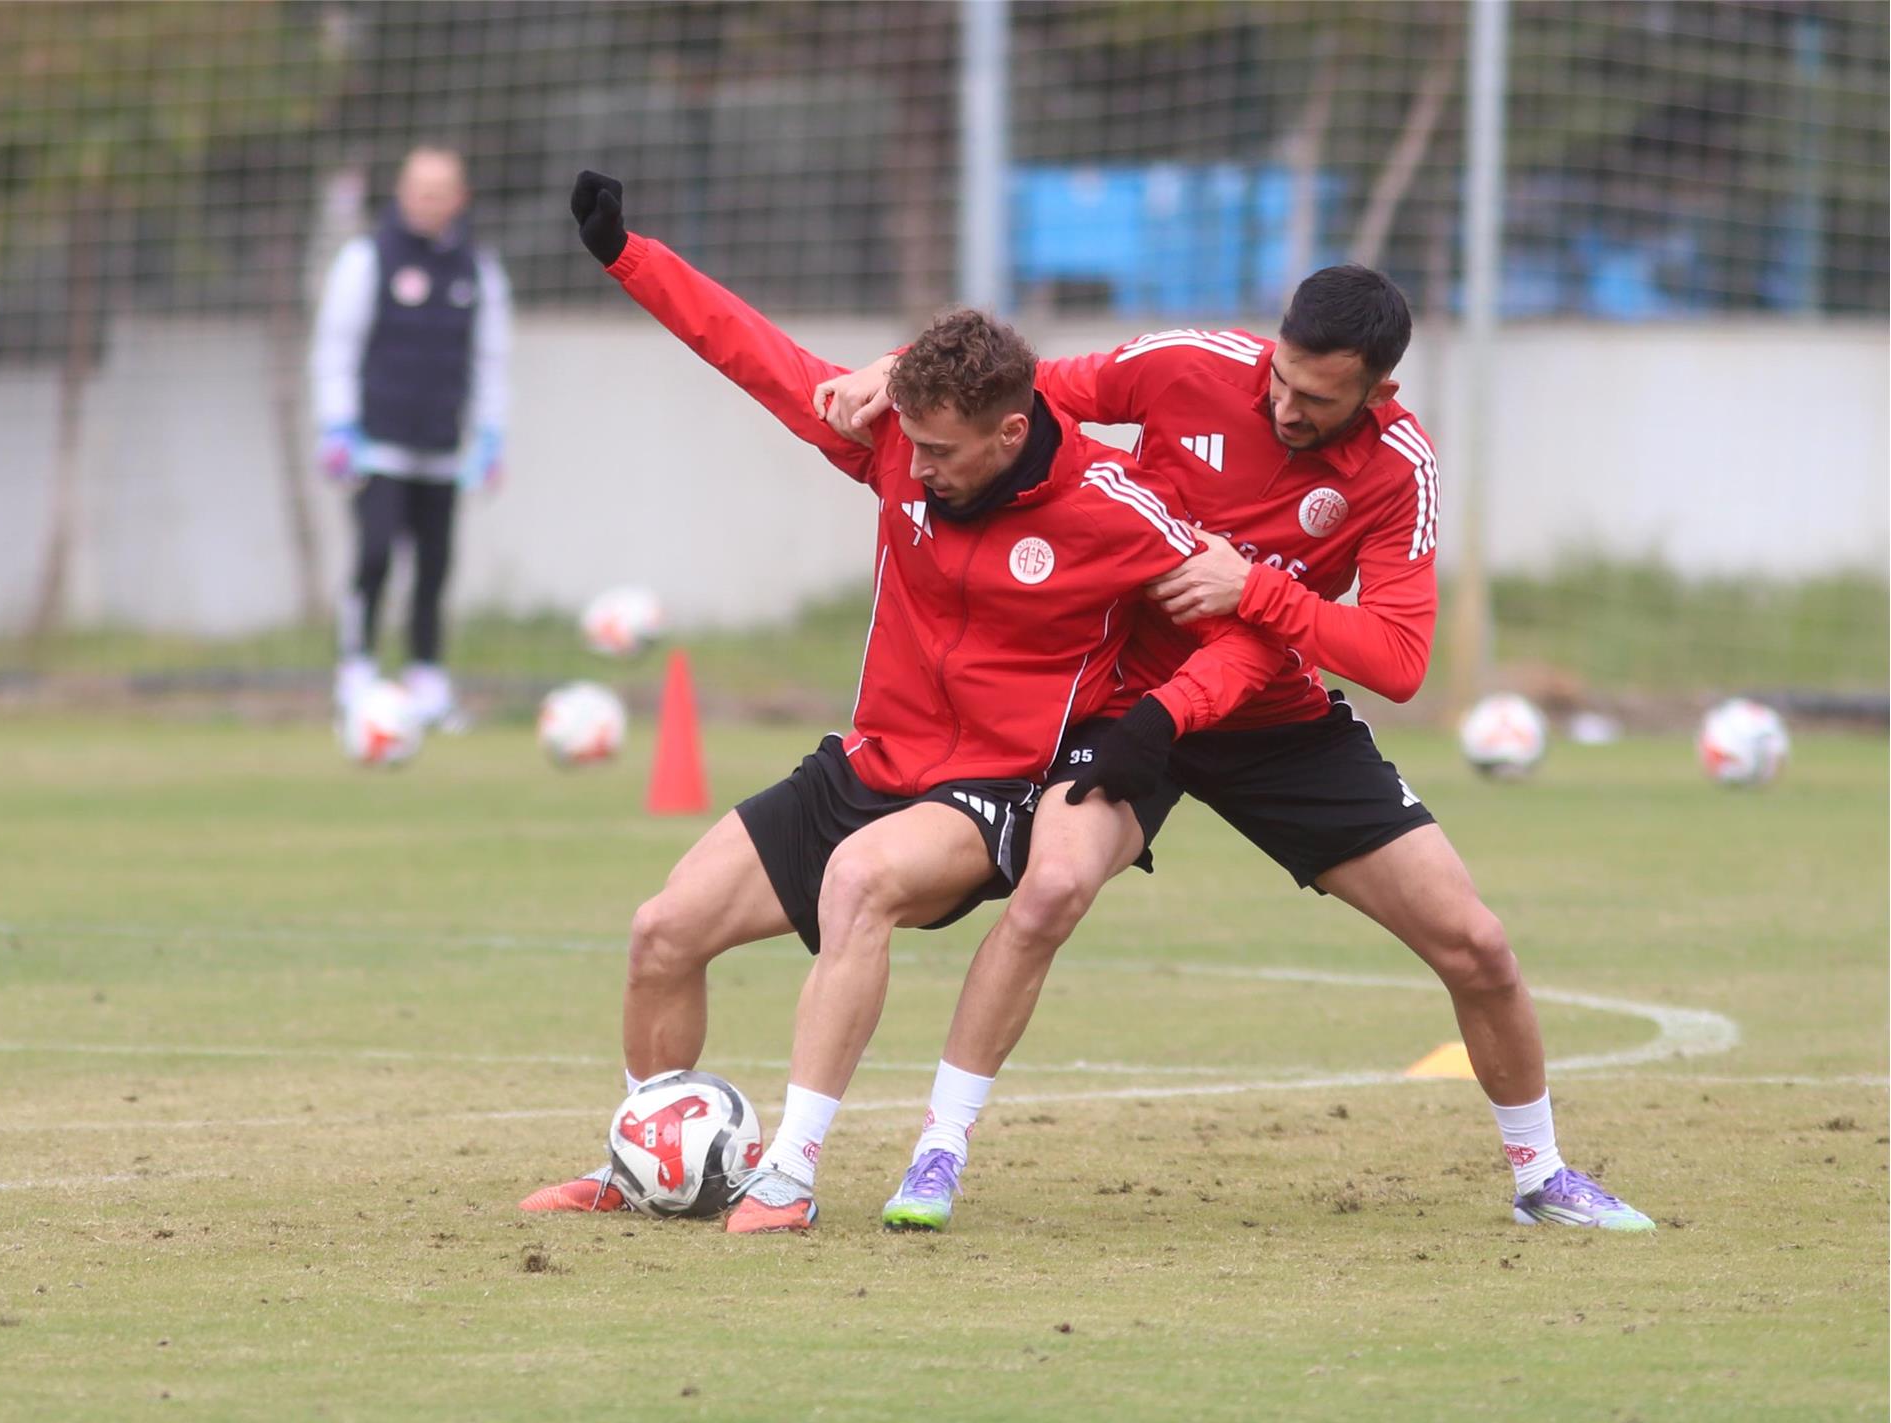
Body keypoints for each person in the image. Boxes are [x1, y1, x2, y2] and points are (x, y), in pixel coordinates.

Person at [519, 172, 1294, 1234]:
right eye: (909, 444)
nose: (914, 467)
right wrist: (627, 256)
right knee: (663, 931)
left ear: (1012, 432)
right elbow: (754, 355)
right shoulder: (897, 443)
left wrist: (1162, 722)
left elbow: (1249, 631)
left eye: (939, 451)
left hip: (994, 788)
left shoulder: (1118, 511)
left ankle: (789, 1173)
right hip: (872, 759)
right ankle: (643, 1160)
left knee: (860, 880)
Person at [819, 270, 1655, 1235]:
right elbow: (1023, 389)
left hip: (1275, 719)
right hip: (1128, 706)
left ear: (1379, 390)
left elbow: (1399, 659)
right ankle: (938, 1152)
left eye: (1319, 399)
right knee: (1049, 892)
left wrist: (1251, 587)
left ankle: (1542, 1174)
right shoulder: (1189, 366)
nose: (1288, 407)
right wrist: (897, 367)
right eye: (1281, 380)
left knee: (1479, 946)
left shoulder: (1400, 467)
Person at [310, 144, 511, 728]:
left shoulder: (478, 270)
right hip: (378, 445)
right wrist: (337, 425)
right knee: (374, 556)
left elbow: (491, 360)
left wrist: (491, 436)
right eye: (419, 190)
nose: (428, 201)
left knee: (434, 567)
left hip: (442, 449)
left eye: (439, 191)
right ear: (402, 193)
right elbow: (336, 347)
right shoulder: (366, 259)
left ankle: (427, 681)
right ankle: (356, 673)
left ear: (460, 198)